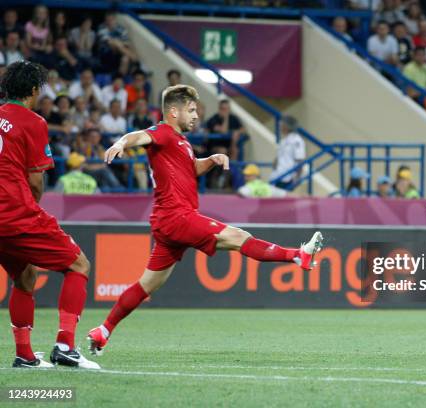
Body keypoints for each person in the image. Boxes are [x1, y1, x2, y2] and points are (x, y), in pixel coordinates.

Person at [87, 85, 324, 355]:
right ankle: (297, 255)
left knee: (147, 285)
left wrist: (210, 160)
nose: (196, 116)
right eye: (191, 110)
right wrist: (120, 143)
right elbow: (139, 136)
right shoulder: (162, 132)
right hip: (178, 217)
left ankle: (103, 330)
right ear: (173, 112)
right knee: (237, 236)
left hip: (167, 222)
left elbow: (191, 169)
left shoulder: (181, 141)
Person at [0, 61, 99, 369]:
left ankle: (25, 356)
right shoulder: (33, 122)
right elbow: (34, 180)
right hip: (15, 212)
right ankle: (65, 345)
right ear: (33, 90)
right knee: (79, 263)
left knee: (25, 277)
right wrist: (33, 207)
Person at [269, 115, 305, 190]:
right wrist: (275, 162)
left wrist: (297, 178)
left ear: (287, 126)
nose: (280, 127)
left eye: (282, 125)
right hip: (277, 175)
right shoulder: (283, 141)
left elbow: (300, 160)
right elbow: (280, 156)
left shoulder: (297, 140)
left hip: (287, 177)